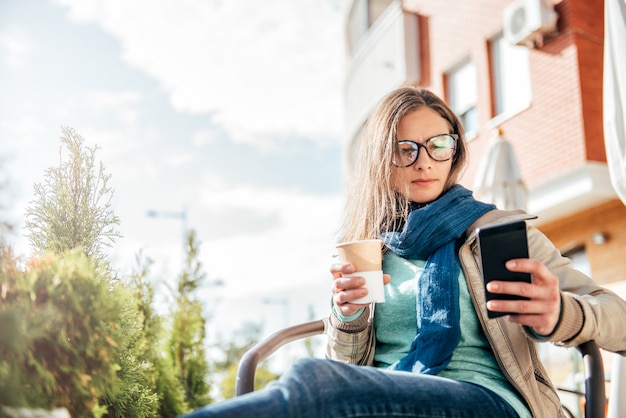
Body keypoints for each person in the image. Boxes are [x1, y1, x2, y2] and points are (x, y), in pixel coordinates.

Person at [183, 86, 626, 418]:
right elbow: (345, 365)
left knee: (316, 387)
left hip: (488, 401)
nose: (424, 161)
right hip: (383, 394)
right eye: (405, 149)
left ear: (455, 149)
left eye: (439, 144)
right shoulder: (368, 247)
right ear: (382, 160)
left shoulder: (493, 232)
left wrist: (561, 313)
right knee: (328, 387)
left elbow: (618, 321)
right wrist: (348, 317)